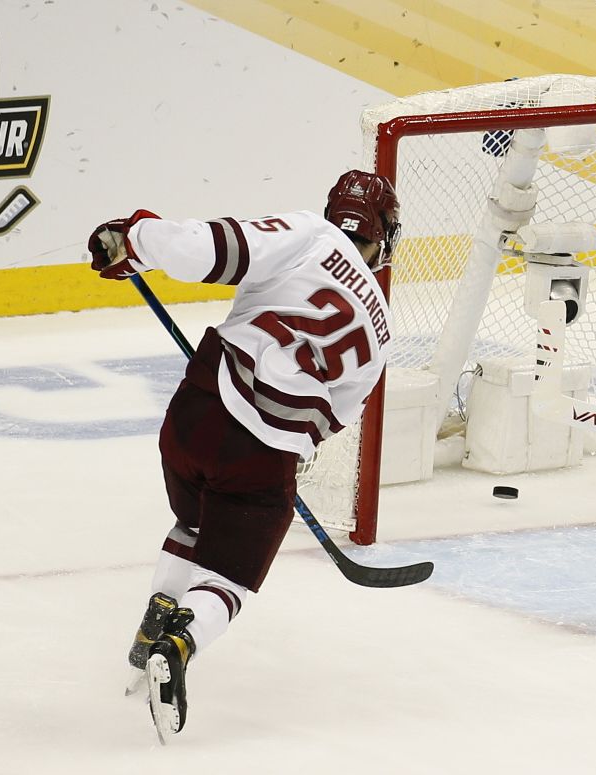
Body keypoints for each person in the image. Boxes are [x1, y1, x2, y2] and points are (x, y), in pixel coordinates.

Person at [86, 170, 400, 742]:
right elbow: (336, 414)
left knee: (194, 518)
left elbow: (204, 248)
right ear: (383, 237)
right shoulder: (381, 325)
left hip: (196, 412)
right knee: (229, 577)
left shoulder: (308, 234)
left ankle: (159, 609)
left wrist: (134, 242)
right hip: (262, 451)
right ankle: (177, 645)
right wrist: (279, 443)